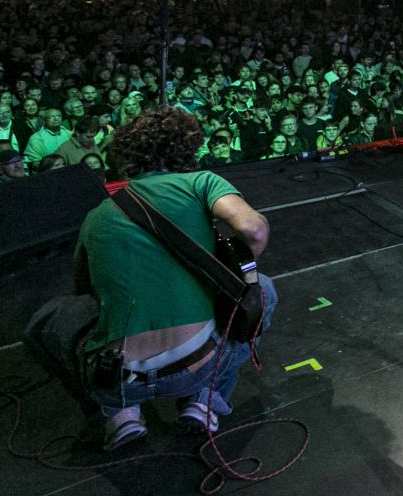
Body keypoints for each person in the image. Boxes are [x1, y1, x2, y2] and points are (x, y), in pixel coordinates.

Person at [22, 107, 276, 451]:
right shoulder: (201, 182)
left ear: (129, 155)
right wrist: (228, 278)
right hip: (196, 365)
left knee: (45, 321)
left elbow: (85, 291)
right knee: (263, 289)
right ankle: (204, 402)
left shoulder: (97, 214)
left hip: (117, 378)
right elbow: (254, 229)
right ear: (187, 148)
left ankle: (118, 415)